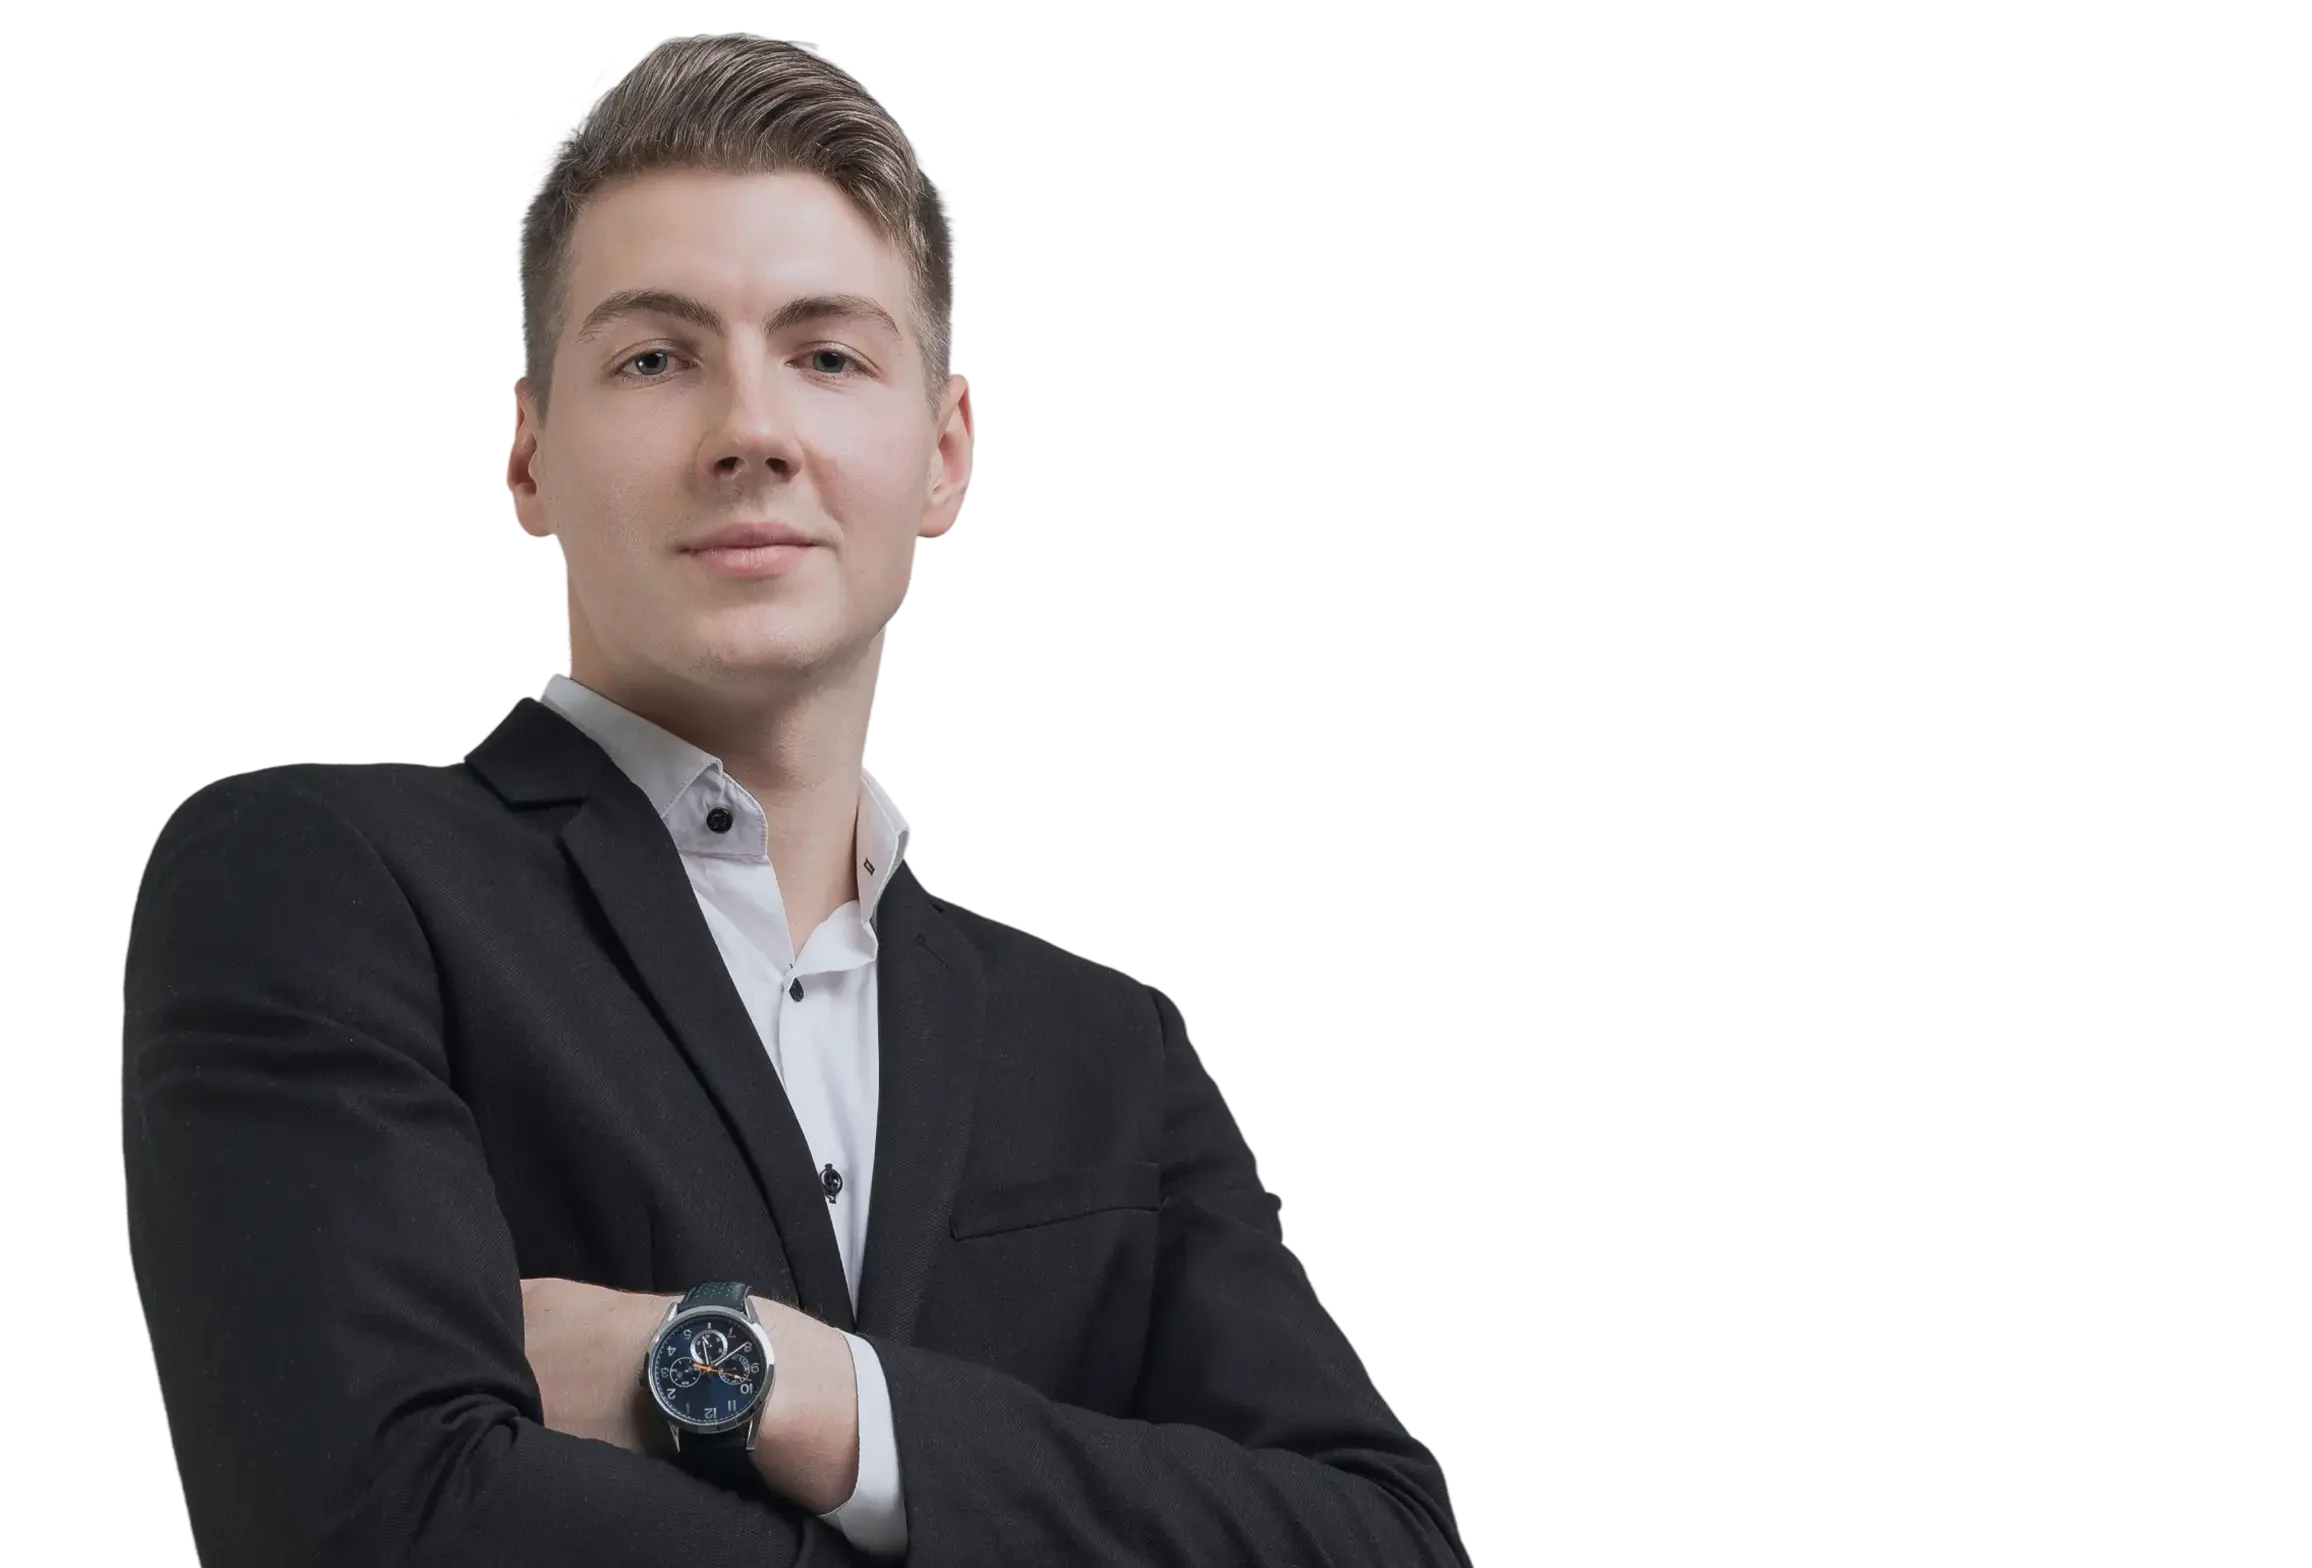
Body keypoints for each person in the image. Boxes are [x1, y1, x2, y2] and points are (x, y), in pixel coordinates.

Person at [119, 30, 1474, 1567]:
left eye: (827, 355)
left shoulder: (1109, 1051)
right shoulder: (318, 886)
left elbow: (1387, 1543)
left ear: (946, 455)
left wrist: (787, 1389)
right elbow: (374, 1524)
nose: (750, 432)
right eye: (656, 357)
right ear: (529, 458)